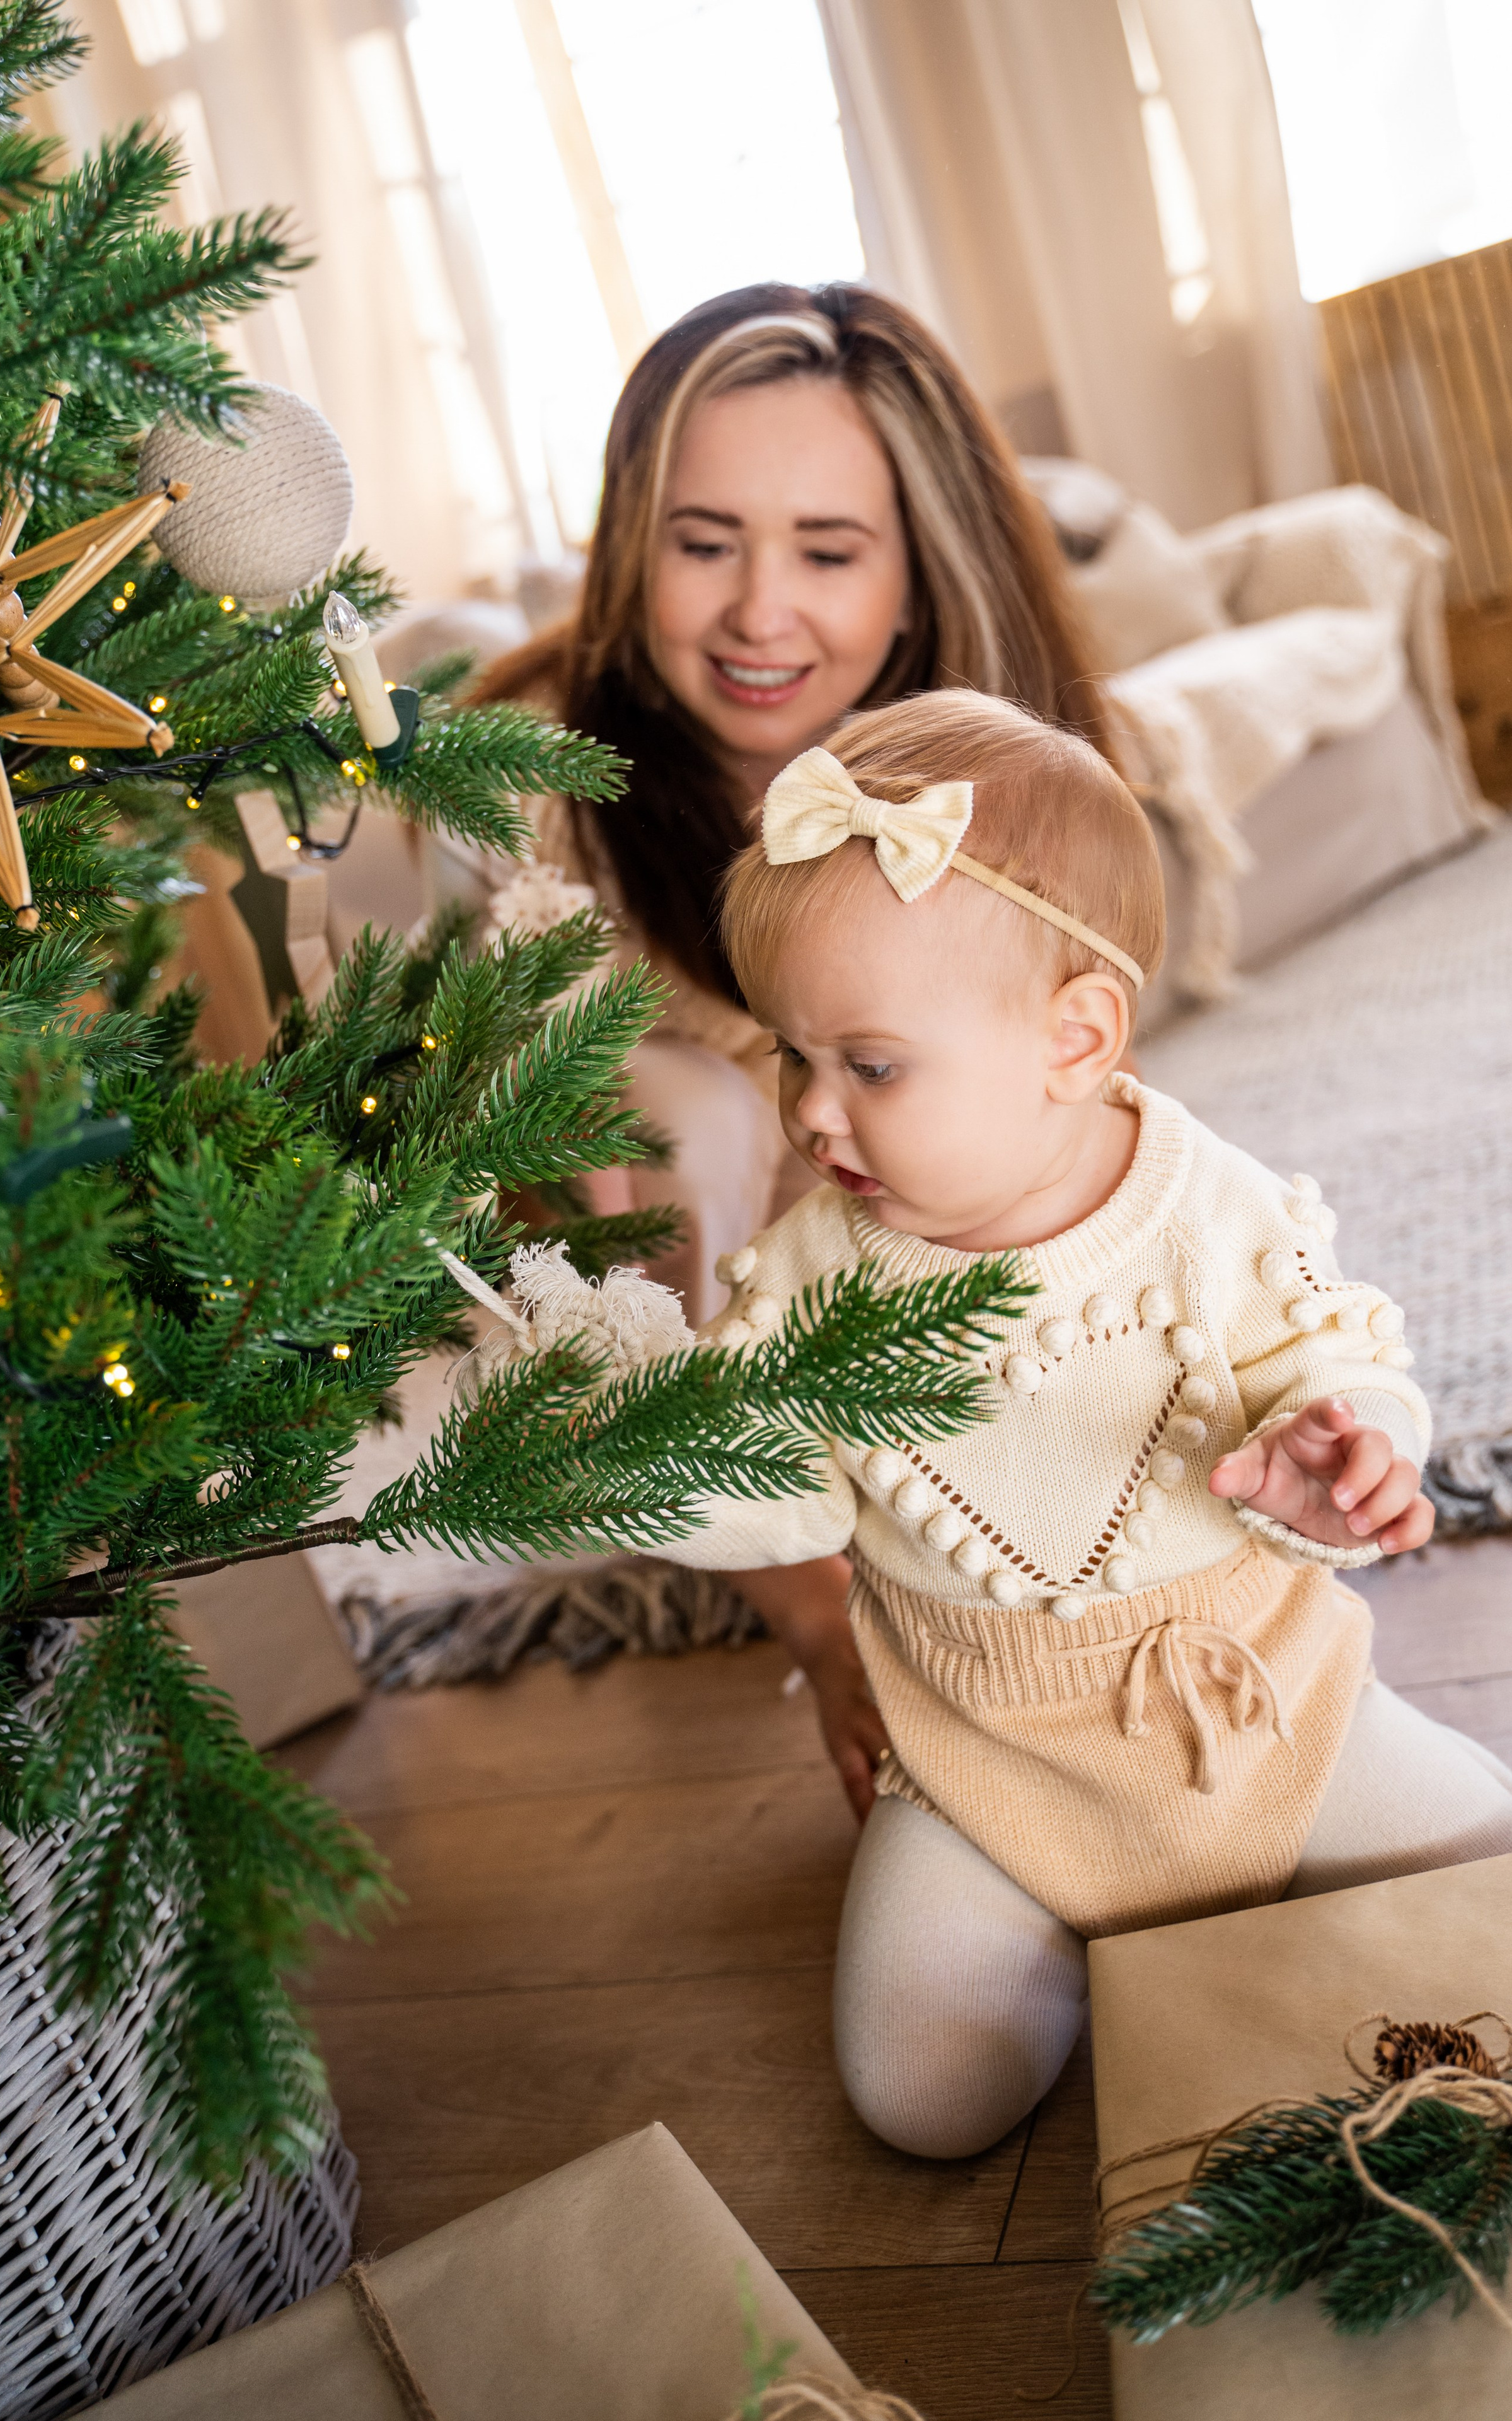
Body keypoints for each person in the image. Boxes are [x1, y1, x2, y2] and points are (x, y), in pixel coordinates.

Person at [647, 684, 1512, 2159]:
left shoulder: (1202, 1206)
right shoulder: (805, 1275)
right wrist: (626, 1458)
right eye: (791, 1056)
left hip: (1266, 1723)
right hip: (991, 1772)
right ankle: (1070, 1950)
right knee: (921, 2102)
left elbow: (1337, 1343)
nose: (812, 1115)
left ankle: (1222, 1935)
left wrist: (1344, 1438)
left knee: (1485, 1887)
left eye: (869, 1064)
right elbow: (769, 1488)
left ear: (1074, 1037)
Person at [478, 282, 1107, 1820]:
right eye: (703, 544)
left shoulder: (1017, 768)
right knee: (678, 1103)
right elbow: (605, 1252)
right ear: (635, 546)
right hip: (684, 1298)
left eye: (826, 553)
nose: (761, 615)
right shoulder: (539, 801)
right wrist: (829, 1622)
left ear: (914, 574)